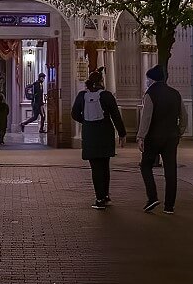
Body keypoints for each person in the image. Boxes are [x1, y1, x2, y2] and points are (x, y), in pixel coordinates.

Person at [72, 68, 126, 208]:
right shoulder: (107, 96)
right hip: (105, 134)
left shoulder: (82, 96)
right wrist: (122, 133)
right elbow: (116, 115)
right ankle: (106, 195)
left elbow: (74, 114)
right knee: (105, 165)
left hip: (90, 135)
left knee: (95, 167)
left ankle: (99, 198)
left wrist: (85, 121)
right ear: (102, 81)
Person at [137, 65, 183, 214]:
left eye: (147, 78)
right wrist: (179, 132)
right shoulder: (175, 94)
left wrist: (141, 136)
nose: (147, 81)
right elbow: (184, 116)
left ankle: (152, 197)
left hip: (153, 137)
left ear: (151, 79)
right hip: (171, 137)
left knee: (146, 165)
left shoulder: (150, 94)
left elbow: (147, 117)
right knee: (170, 170)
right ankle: (169, 206)